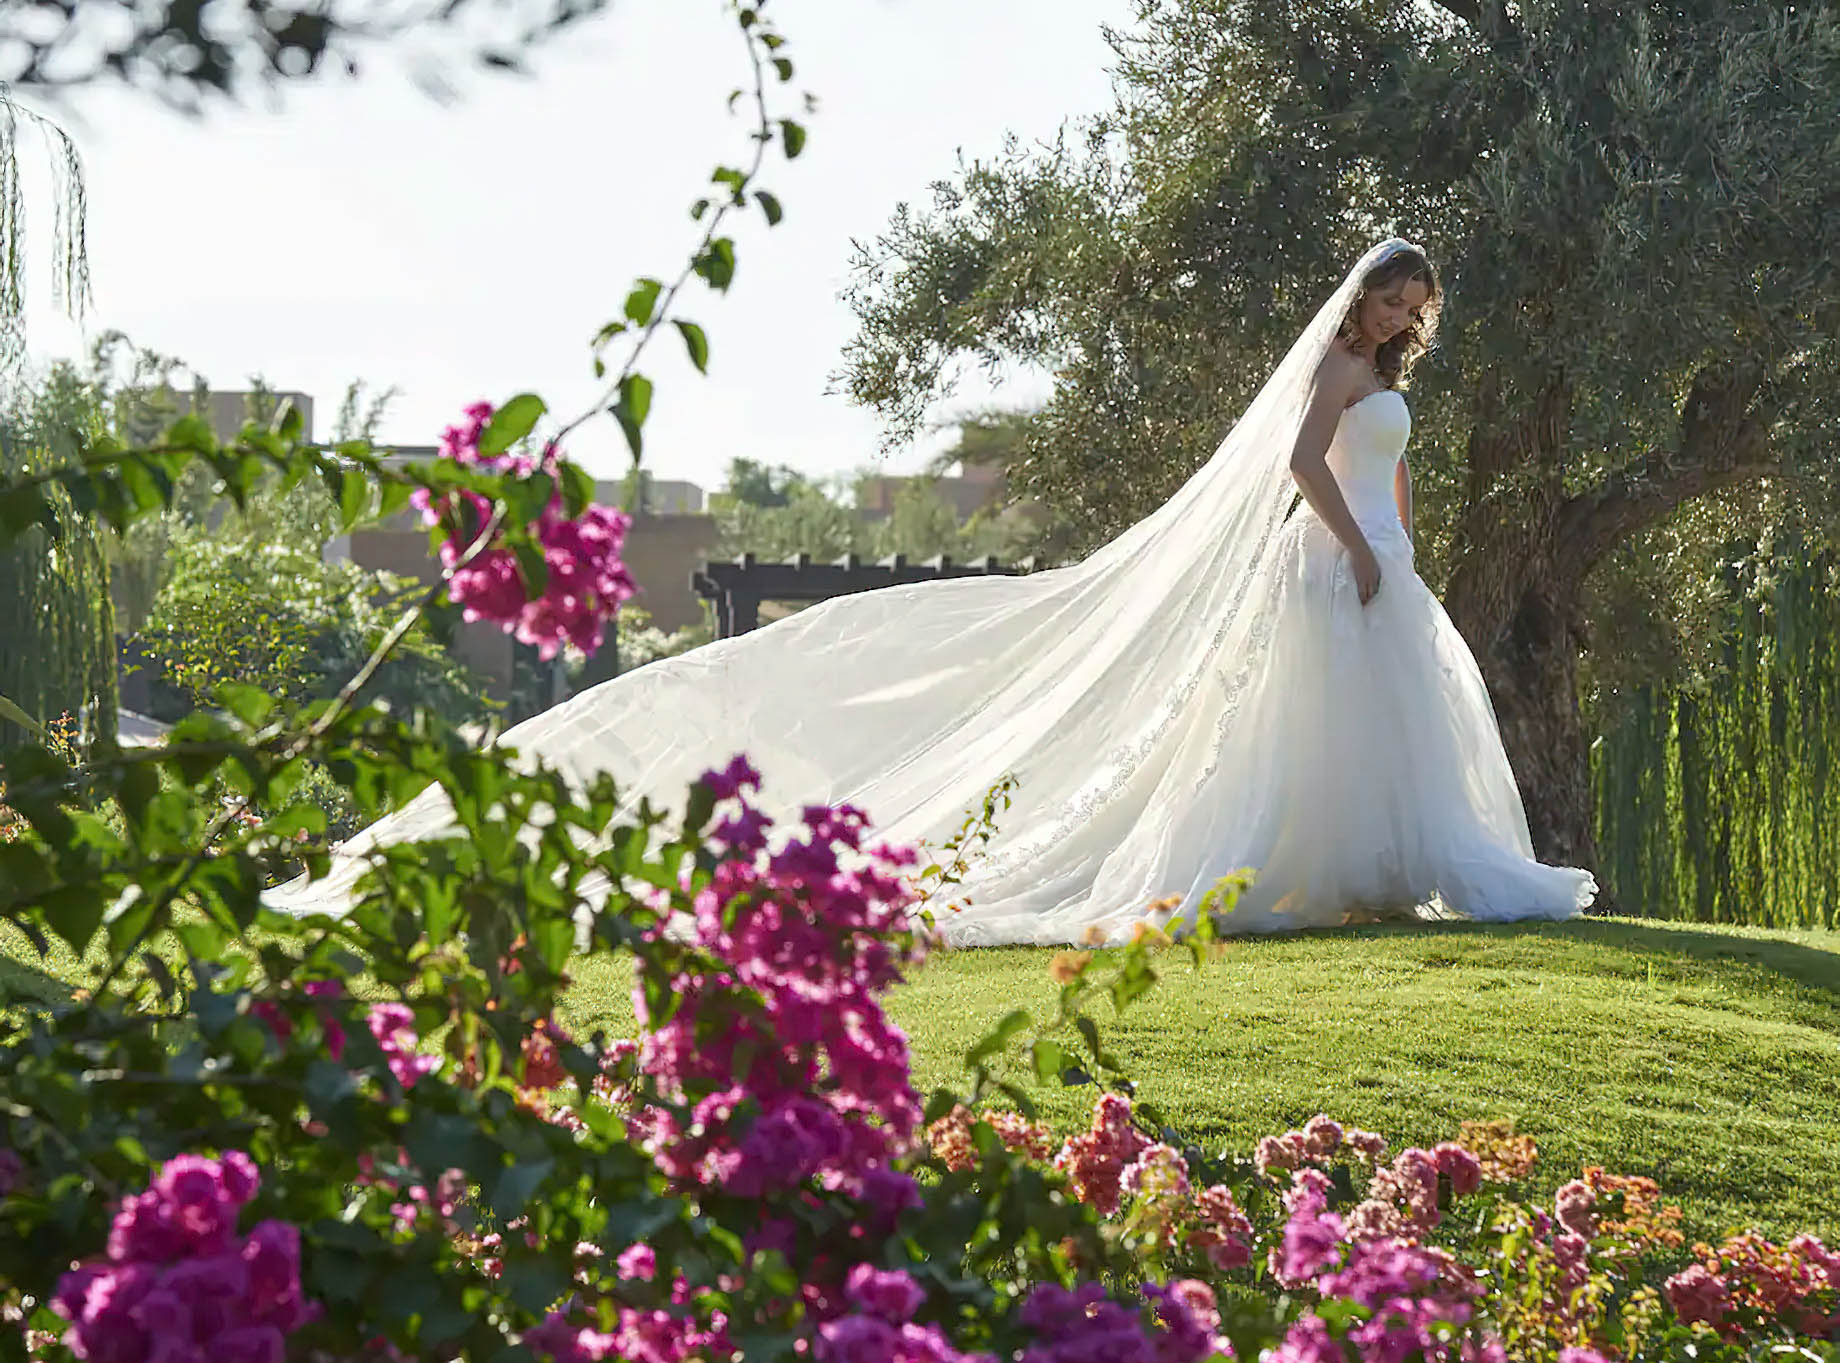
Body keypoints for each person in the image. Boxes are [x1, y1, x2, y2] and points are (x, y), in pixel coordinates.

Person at [276, 238, 1594, 939]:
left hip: (1385, 558)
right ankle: (1315, 870)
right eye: (1387, 298)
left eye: (1414, 303)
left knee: (1398, 717)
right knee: (1314, 719)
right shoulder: (1332, 378)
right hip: (1329, 556)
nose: (1398, 315)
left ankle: (1396, 873)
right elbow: (1304, 466)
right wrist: (1355, 549)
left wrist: (1400, 548)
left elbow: (1389, 475)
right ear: (1358, 304)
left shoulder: (1400, 393)